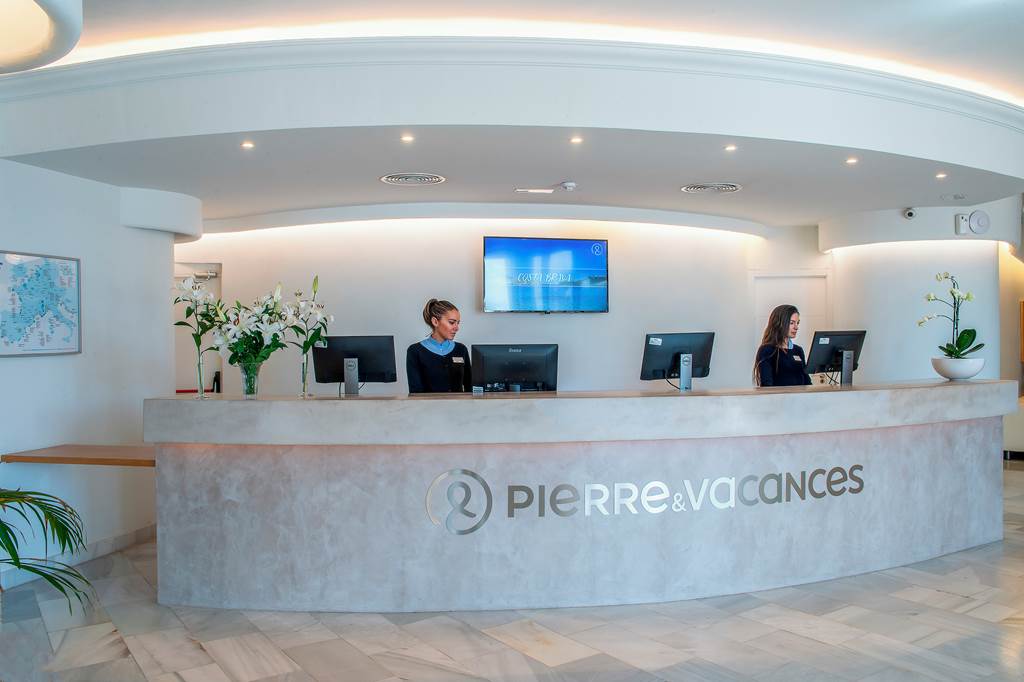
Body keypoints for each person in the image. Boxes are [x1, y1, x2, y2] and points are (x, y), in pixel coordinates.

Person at [407, 299, 472, 393]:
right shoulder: (415, 351)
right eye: (452, 322)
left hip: (458, 403)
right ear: (435, 322)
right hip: (428, 403)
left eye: (458, 323)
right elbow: (415, 392)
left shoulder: (461, 349)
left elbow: (469, 387)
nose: (457, 328)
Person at [753, 304, 812, 387]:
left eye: (797, 323)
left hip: (800, 395)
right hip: (779, 395)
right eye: (791, 323)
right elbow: (767, 385)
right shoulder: (767, 350)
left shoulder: (798, 350)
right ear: (779, 324)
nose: (796, 327)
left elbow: (807, 382)